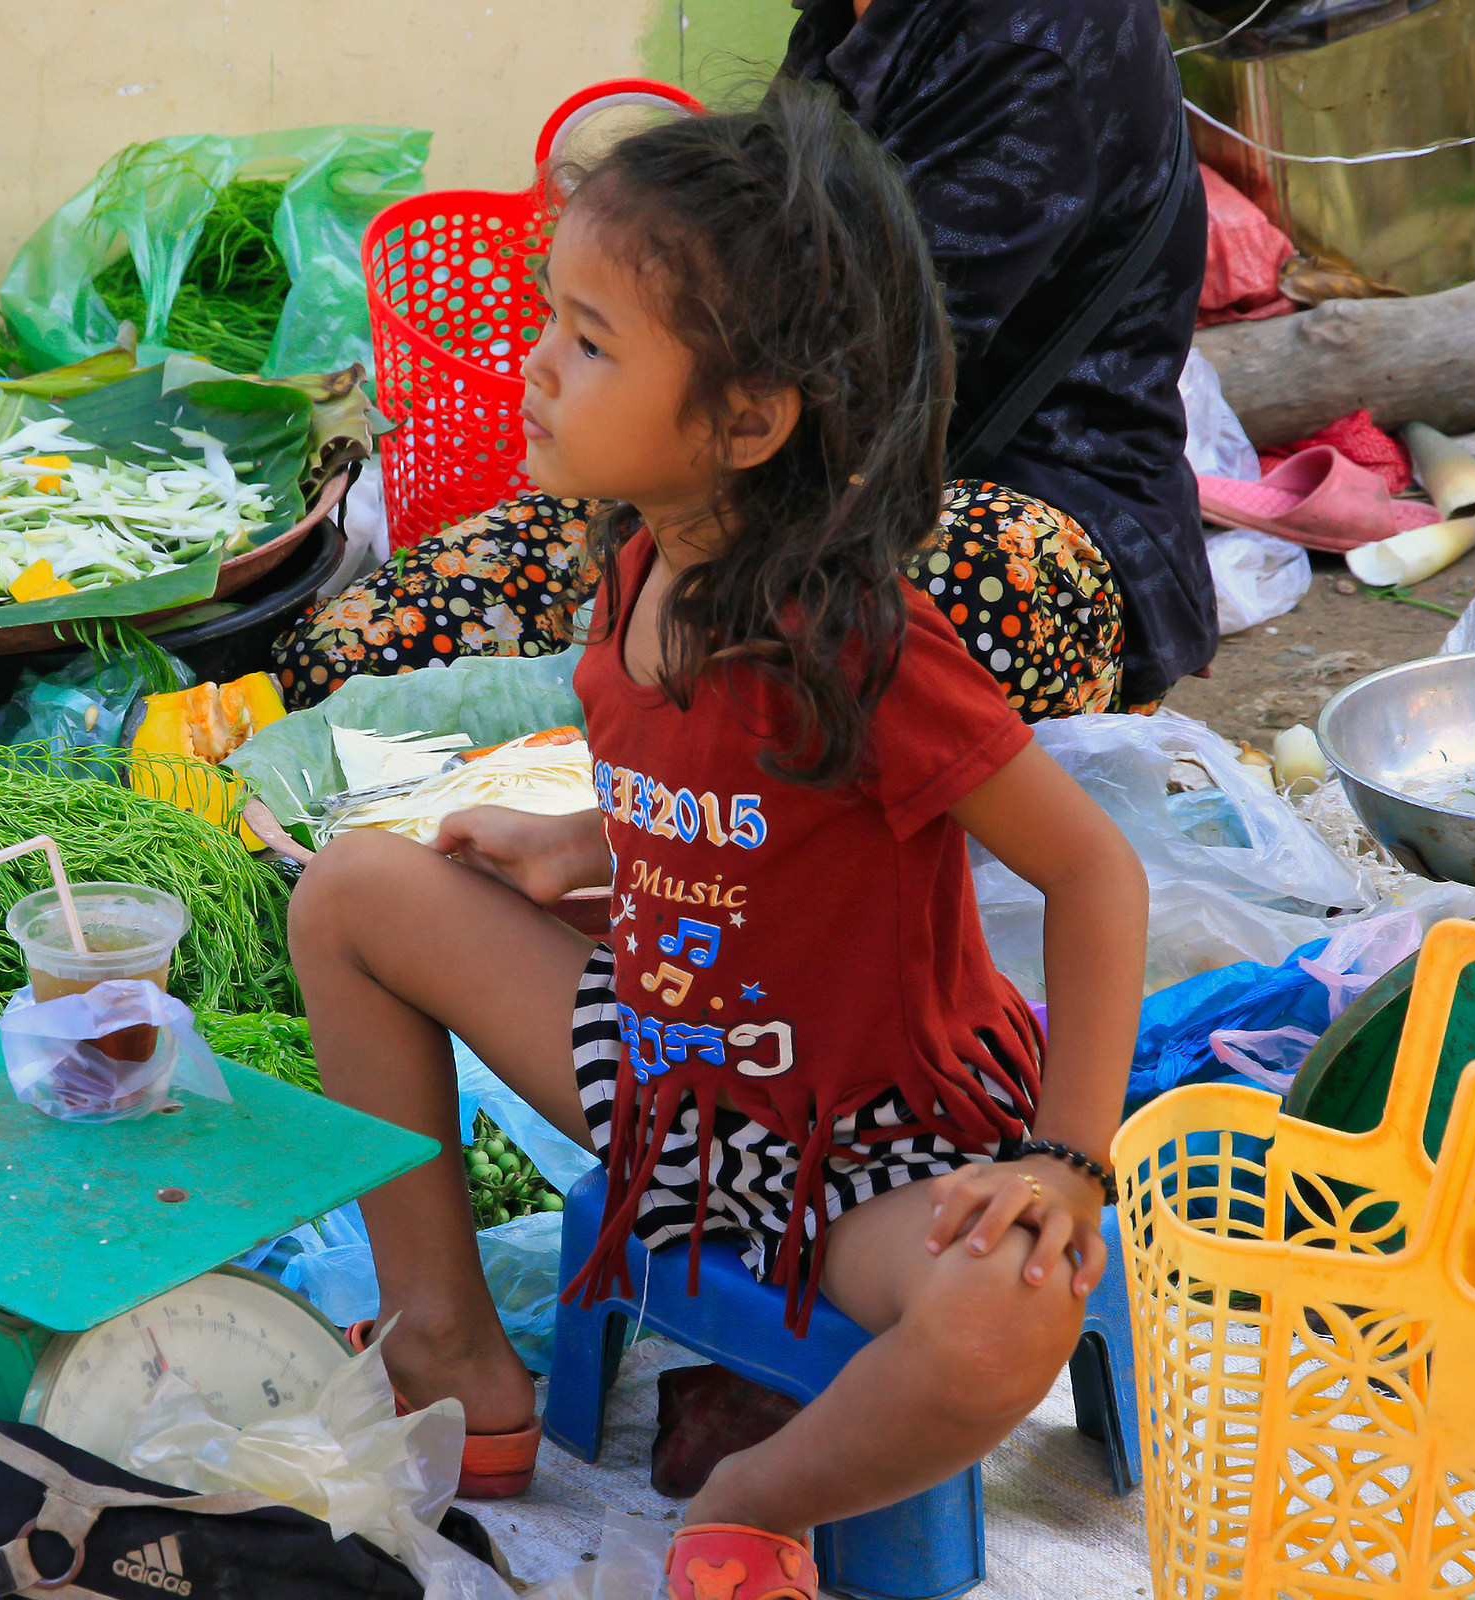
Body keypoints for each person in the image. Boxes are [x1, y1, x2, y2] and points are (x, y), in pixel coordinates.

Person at [286, 86, 1148, 1600]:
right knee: (353, 891)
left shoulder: (862, 648)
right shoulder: (637, 576)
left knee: (1009, 1312)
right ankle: (452, 1349)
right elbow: (730, 819)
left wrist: (1069, 1161)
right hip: (668, 1074)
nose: (537, 367)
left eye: (592, 342)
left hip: (872, 1144)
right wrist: (580, 845)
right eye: (552, 321)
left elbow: (1095, 870)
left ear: (746, 422)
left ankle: (755, 1496)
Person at [270, 0, 1209, 722]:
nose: (537, 365)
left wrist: (660, 511)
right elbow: (750, 283)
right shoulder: (848, 19)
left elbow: (866, 371)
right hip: (743, 470)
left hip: (1004, 519)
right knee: (347, 654)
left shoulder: (1039, 44)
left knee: (828, 656)